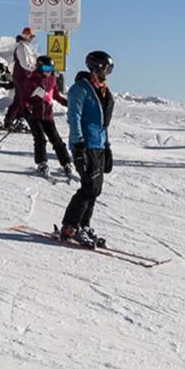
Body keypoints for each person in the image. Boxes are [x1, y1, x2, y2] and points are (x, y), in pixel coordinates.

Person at [59, 49, 115, 247]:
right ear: (97, 67)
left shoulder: (103, 90)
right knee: (88, 187)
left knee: (96, 189)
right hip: (84, 144)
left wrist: (107, 146)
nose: (108, 73)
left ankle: (84, 225)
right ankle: (70, 226)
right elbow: (73, 116)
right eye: (107, 69)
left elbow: (103, 123)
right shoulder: (80, 89)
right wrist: (79, 143)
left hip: (98, 144)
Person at [19, 54, 72, 178]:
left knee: (56, 139)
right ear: (39, 67)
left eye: (51, 69)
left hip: (48, 115)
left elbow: (56, 95)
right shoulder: (32, 79)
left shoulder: (51, 80)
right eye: (47, 69)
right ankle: (42, 163)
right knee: (40, 139)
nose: (49, 72)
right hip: (34, 115)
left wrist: (67, 103)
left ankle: (66, 162)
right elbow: (24, 97)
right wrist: (26, 108)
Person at [5, 26, 38, 129]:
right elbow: (24, 64)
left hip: (26, 76)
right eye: (31, 36)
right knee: (22, 99)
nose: (32, 38)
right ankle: (15, 120)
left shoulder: (26, 47)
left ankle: (11, 120)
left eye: (33, 36)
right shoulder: (21, 47)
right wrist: (36, 69)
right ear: (26, 35)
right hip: (21, 76)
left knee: (19, 99)